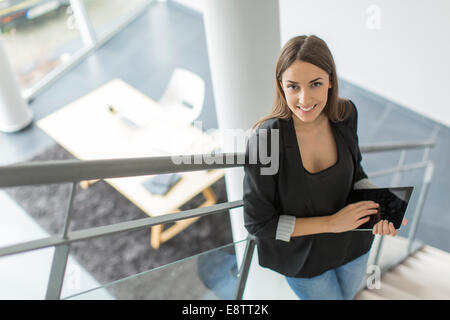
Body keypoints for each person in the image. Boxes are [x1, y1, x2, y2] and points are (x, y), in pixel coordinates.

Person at [242, 35, 407, 300]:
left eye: (315, 84)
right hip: (304, 262)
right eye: (293, 86)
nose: (304, 99)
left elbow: (357, 174)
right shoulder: (266, 141)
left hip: (354, 245)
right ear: (281, 86)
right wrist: (331, 223)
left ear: (330, 81)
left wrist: (385, 206)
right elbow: (259, 223)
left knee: (350, 295)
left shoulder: (345, 114)